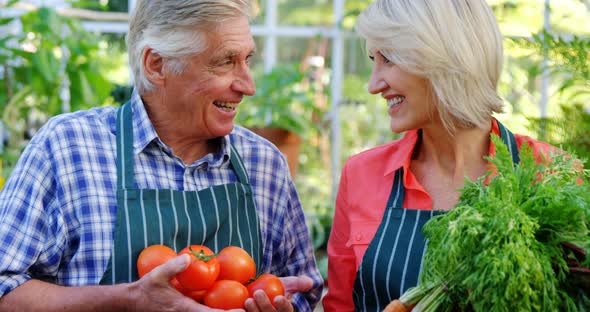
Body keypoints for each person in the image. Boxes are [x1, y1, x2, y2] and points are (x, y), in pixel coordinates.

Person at [0, 1, 323, 311]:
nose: (248, 85)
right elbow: (5, 288)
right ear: (157, 65)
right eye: (225, 62)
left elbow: (302, 291)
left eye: (247, 59)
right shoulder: (69, 148)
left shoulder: (262, 163)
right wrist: (126, 299)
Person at [322, 0, 560, 311]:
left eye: (389, 60)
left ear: (444, 58)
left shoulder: (551, 172)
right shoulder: (362, 175)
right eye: (372, 60)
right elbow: (340, 306)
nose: (373, 84)